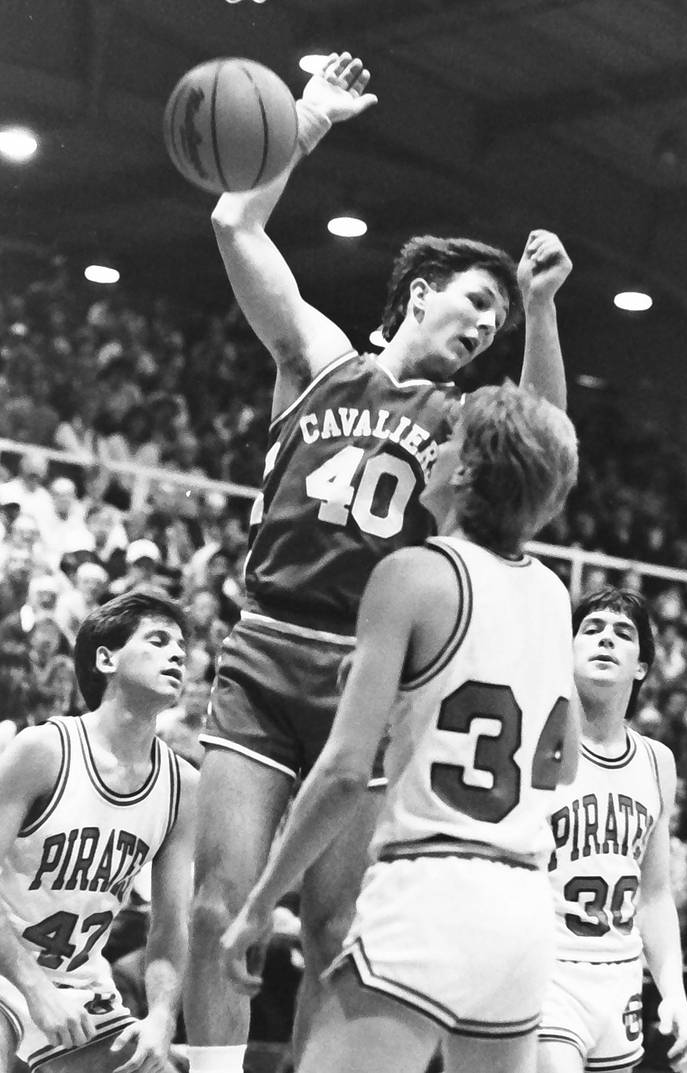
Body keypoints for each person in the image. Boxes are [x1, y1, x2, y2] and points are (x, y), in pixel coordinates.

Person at [185, 50, 574, 1073]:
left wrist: (539, 310)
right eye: (478, 301)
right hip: (266, 650)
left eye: (496, 321)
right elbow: (234, 225)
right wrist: (304, 117)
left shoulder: (463, 420)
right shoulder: (319, 361)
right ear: (419, 292)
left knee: (332, 928)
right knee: (217, 902)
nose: (485, 324)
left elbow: (545, 442)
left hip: (371, 676)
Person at [219, 381, 580, 1073]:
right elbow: (562, 763)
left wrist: (260, 902)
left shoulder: (410, 574)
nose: (434, 450)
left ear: (466, 471)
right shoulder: (552, 592)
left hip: (431, 890)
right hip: (524, 910)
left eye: (449, 440)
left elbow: (344, 773)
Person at [0, 590, 198, 1072]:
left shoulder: (183, 786)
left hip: (84, 992)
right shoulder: (43, 751)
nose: (177, 654)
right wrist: (36, 990)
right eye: (158, 640)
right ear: (106, 659)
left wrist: (161, 1018)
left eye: (181, 646)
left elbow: (170, 925)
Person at [538, 587, 687, 1073]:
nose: (606, 638)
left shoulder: (656, 761)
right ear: (566, 650)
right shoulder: (534, 739)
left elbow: (655, 895)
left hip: (620, 977)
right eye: (592, 629)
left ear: (642, 666)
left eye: (623, 633)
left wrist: (674, 992)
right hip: (547, 967)